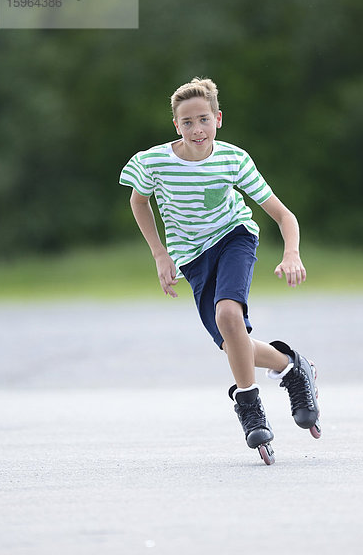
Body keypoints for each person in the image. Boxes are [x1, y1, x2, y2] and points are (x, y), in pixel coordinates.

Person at [119, 77, 320, 465]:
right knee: (233, 344)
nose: (197, 129)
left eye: (204, 120)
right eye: (188, 122)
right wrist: (161, 255)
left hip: (235, 238)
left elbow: (283, 214)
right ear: (176, 125)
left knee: (228, 314)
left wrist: (291, 253)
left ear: (218, 119)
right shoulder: (153, 162)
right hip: (191, 257)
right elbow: (139, 202)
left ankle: (249, 406)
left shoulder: (233, 159)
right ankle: (293, 367)